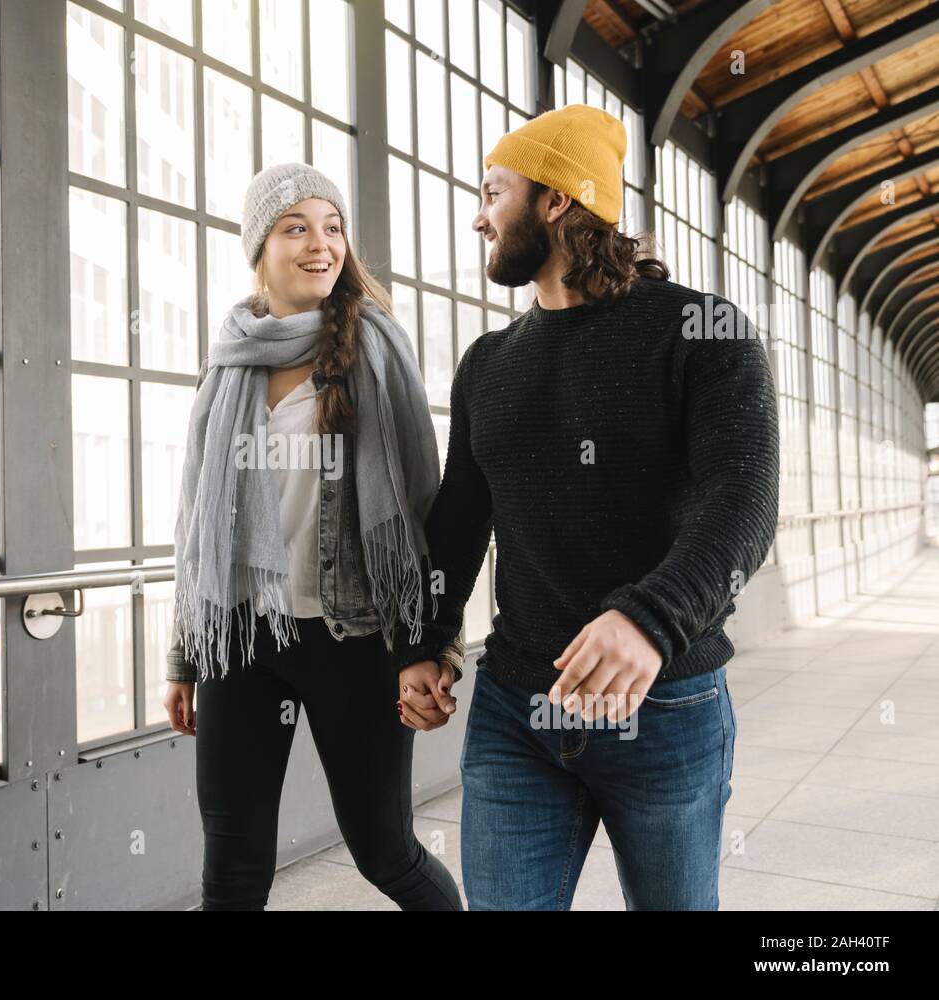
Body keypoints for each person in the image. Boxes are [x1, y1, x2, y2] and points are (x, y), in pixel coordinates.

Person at [394, 104, 779, 910]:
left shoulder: (700, 332)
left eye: (494, 191)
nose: (478, 215)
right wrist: (425, 641)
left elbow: (742, 500)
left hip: (666, 704)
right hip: (514, 713)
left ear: (557, 201)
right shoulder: (488, 365)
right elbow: (460, 522)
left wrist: (649, 618)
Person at [162, 162, 464, 911]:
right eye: (296, 227)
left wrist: (429, 648)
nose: (320, 244)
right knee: (230, 871)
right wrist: (183, 654)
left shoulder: (376, 351)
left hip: (353, 637)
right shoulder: (228, 361)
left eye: (332, 228)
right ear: (259, 247)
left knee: (384, 852)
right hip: (240, 634)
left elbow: (423, 515)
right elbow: (197, 520)